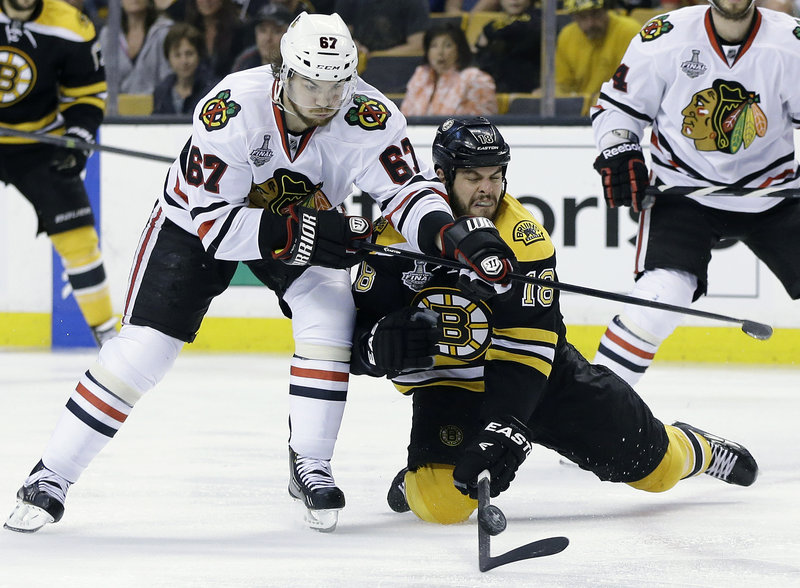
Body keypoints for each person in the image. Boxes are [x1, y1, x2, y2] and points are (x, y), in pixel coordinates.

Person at [4, 12, 516, 535]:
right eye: (311, 83)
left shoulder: (370, 114)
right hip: (197, 224)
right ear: (283, 71)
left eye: (337, 84)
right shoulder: (230, 110)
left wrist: (450, 233)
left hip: (298, 224)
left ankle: (311, 463)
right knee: (142, 352)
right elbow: (214, 227)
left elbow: (404, 193)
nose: (324, 98)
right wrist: (309, 231)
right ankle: (51, 476)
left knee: (331, 311)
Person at [349, 117, 758, 526]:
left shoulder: (524, 238)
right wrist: (374, 346)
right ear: (442, 175)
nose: (487, 189)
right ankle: (417, 478)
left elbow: (527, 348)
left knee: (653, 467)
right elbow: (349, 339)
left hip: (542, 380)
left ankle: (696, 448)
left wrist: (506, 424)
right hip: (449, 385)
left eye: (495, 176)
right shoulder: (392, 239)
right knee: (442, 504)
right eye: (473, 176)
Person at [590, 0, 800, 386]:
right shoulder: (666, 36)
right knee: (659, 299)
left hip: (776, 194)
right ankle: (596, 411)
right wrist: (620, 149)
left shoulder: (789, 42)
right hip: (683, 194)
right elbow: (619, 107)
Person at [0, 0, 115, 346]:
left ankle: (108, 339)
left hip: (39, 142)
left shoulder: (72, 26)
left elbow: (87, 96)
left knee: (79, 238)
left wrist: (77, 138)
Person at [555, 0, 641, 116]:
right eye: (582, 17)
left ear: (606, 10)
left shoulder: (629, 31)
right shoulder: (567, 35)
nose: (590, 23)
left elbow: (636, 84)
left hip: (621, 111)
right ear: (573, 17)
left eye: (595, 14)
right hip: (579, 114)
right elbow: (562, 86)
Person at [401, 23, 497, 116]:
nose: (440, 52)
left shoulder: (475, 78)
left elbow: (482, 123)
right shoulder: (421, 75)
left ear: (459, 49)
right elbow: (406, 114)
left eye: (448, 46)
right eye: (434, 46)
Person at [98, 0, 173, 96]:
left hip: (158, 106)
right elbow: (104, 78)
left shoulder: (165, 32)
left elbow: (169, 77)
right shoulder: (108, 35)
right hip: (117, 107)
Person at [474, 0, 542, 93]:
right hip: (495, 86)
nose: (514, 1)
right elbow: (481, 55)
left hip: (528, 86)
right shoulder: (496, 24)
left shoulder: (539, 18)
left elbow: (516, 30)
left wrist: (489, 31)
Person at [152, 22, 216, 114]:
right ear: (168, 58)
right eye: (177, 55)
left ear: (199, 55)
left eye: (189, 54)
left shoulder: (212, 91)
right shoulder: (161, 91)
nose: (184, 61)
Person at [335, 0, 429, 57]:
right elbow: (339, 35)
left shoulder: (415, 2)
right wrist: (352, 45)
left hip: (398, 66)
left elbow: (417, 46)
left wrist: (375, 57)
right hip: (356, 62)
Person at [231, 4, 292, 71]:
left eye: (277, 31)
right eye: (263, 30)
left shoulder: (297, 65)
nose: (268, 38)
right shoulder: (245, 62)